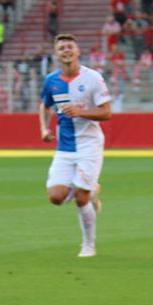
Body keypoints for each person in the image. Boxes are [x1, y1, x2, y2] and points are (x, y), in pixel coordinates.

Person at [39, 34, 112, 257]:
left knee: (80, 197)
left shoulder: (93, 78)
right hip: (65, 147)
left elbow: (106, 112)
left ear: (78, 51)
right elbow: (45, 105)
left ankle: (88, 244)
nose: (66, 51)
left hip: (89, 144)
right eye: (61, 48)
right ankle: (90, 189)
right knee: (56, 197)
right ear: (56, 53)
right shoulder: (52, 80)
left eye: (70, 47)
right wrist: (44, 128)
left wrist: (81, 112)